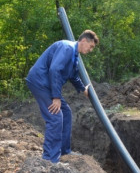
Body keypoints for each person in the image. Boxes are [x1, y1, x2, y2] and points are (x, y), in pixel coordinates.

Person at [26, 30, 99, 163]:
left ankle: (64, 151)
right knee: (55, 117)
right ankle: (50, 160)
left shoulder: (74, 56)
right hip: (39, 82)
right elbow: (55, 70)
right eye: (91, 46)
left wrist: (83, 89)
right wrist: (56, 97)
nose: (91, 50)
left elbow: (73, 76)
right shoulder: (67, 48)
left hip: (47, 84)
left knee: (66, 112)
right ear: (83, 41)